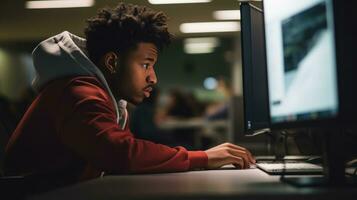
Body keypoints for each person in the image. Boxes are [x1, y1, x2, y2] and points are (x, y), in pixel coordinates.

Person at [4, 3, 255, 185]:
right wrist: (203, 157)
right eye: (146, 64)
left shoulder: (95, 92)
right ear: (112, 62)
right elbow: (120, 152)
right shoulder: (79, 93)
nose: (153, 78)